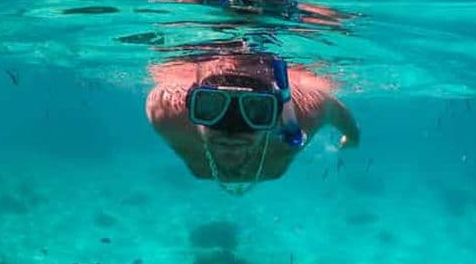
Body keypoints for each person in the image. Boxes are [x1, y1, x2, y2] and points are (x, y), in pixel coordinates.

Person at [145, 51, 360, 194]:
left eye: (256, 111)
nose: (231, 129)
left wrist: (352, 135)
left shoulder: (304, 115)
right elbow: (339, 114)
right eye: (212, 107)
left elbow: (338, 112)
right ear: (190, 105)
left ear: (277, 114)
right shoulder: (166, 113)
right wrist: (351, 137)